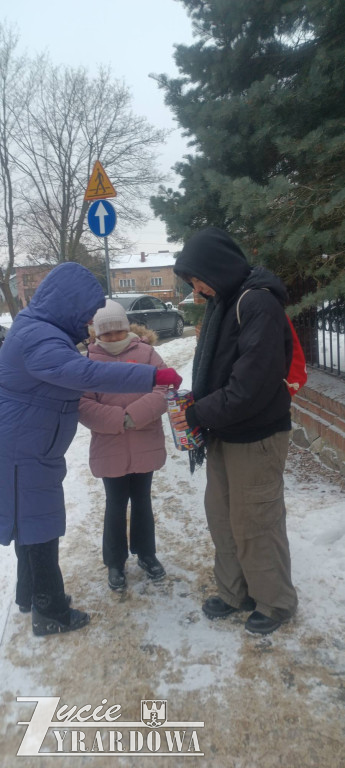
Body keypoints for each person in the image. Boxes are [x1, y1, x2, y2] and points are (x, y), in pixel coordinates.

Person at [0, 262, 181, 637]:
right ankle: (50, 611)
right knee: (38, 525)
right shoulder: (40, 336)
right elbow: (85, 376)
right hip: (24, 447)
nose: (86, 322)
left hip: (29, 443)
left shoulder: (39, 329)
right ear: (69, 304)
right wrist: (153, 376)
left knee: (31, 520)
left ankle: (31, 596)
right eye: (84, 313)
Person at [171, 227, 298, 635]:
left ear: (217, 268)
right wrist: (200, 409)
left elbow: (252, 386)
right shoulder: (224, 301)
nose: (197, 288)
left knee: (256, 520)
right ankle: (234, 591)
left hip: (257, 435)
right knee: (223, 516)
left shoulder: (257, 303)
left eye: (197, 278)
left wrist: (199, 412)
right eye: (191, 282)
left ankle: (275, 602)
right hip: (224, 430)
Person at [79, 300, 167, 591]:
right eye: (107, 334)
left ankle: (146, 553)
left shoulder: (146, 353)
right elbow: (83, 404)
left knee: (142, 500)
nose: (114, 338)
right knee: (115, 504)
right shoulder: (87, 361)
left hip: (144, 440)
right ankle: (114, 562)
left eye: (119, 331)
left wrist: (134, 416)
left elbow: (164, 387)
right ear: (97, 334)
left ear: (127, 328)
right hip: (110, 446)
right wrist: (119, 419)